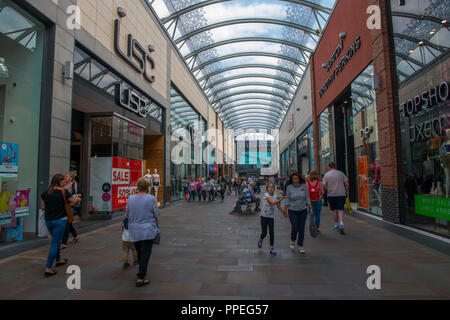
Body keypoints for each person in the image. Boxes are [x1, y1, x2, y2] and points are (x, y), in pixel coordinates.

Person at [41, 174, 80, 277]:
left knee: (56, 239)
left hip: (48, 221)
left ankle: (58, 260)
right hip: (60, 221)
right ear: (59, 181)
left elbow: (42, 207)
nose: (64, 183)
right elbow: (74, 201)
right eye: (63, 181)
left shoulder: (45, 192)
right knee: (55, 242)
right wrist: (77, 198)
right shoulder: (63, 192)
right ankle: (48, 268)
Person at [127, 177, 160, 287]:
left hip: (134, 230)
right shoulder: (152, 199)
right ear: (147, 187)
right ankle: (141, 276)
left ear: (137, 187)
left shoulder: (130, 198)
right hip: (147, 230)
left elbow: (126, 214)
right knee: (146, 252)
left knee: (139, 251)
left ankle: (141, 272)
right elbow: (156, 213)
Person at [283, 172, 312, 254]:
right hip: (292, 210)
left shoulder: (304, 186)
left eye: (297, 178)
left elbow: (307, 198)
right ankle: (293, 239)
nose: (295, 180)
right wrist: (285, 210)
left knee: (301, 228)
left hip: (303, 210)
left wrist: (310, 207)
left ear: (299, 179)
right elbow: (287, 199)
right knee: (295, 227)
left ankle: (300, 245)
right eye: (294, 179)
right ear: (291, 180)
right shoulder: (289, 187)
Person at [258, 183, 286, 256]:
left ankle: (271, 248)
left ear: (274, 188)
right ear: (267, 188)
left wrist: (283, 211)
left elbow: (277, 205)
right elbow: (272, 202)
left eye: (272, 187)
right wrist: (281, 199)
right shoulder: (266, 195)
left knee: (272, 233)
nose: (270, 188)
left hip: (271, 217)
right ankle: (261, 239)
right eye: (269, 187)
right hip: (264, 216)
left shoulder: (275, 195)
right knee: (264, 232)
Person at [322, 162, 349, 235]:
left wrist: (326, 189)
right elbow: (346, 184)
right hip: (341, 194)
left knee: (334, 211)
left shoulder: (326, 175)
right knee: (340, 210)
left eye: (327, 166)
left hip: (331, 195)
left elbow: (323, 186)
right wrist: (346, 192)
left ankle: (335, 225)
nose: (327, 168)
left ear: (330, 166)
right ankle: (341, 224)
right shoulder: (341, 173)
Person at [60, 171, 81, 249]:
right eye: (65, 176)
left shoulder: (75, 185)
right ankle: (76, 236)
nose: (65, 177)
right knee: (69, 222)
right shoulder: (63, 185)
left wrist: (72, 197)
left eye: (67, 176)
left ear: (71, 178)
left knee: (67, 223)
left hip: (72, 206)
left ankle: (64, 242)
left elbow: (80, 194)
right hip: (64, 206)